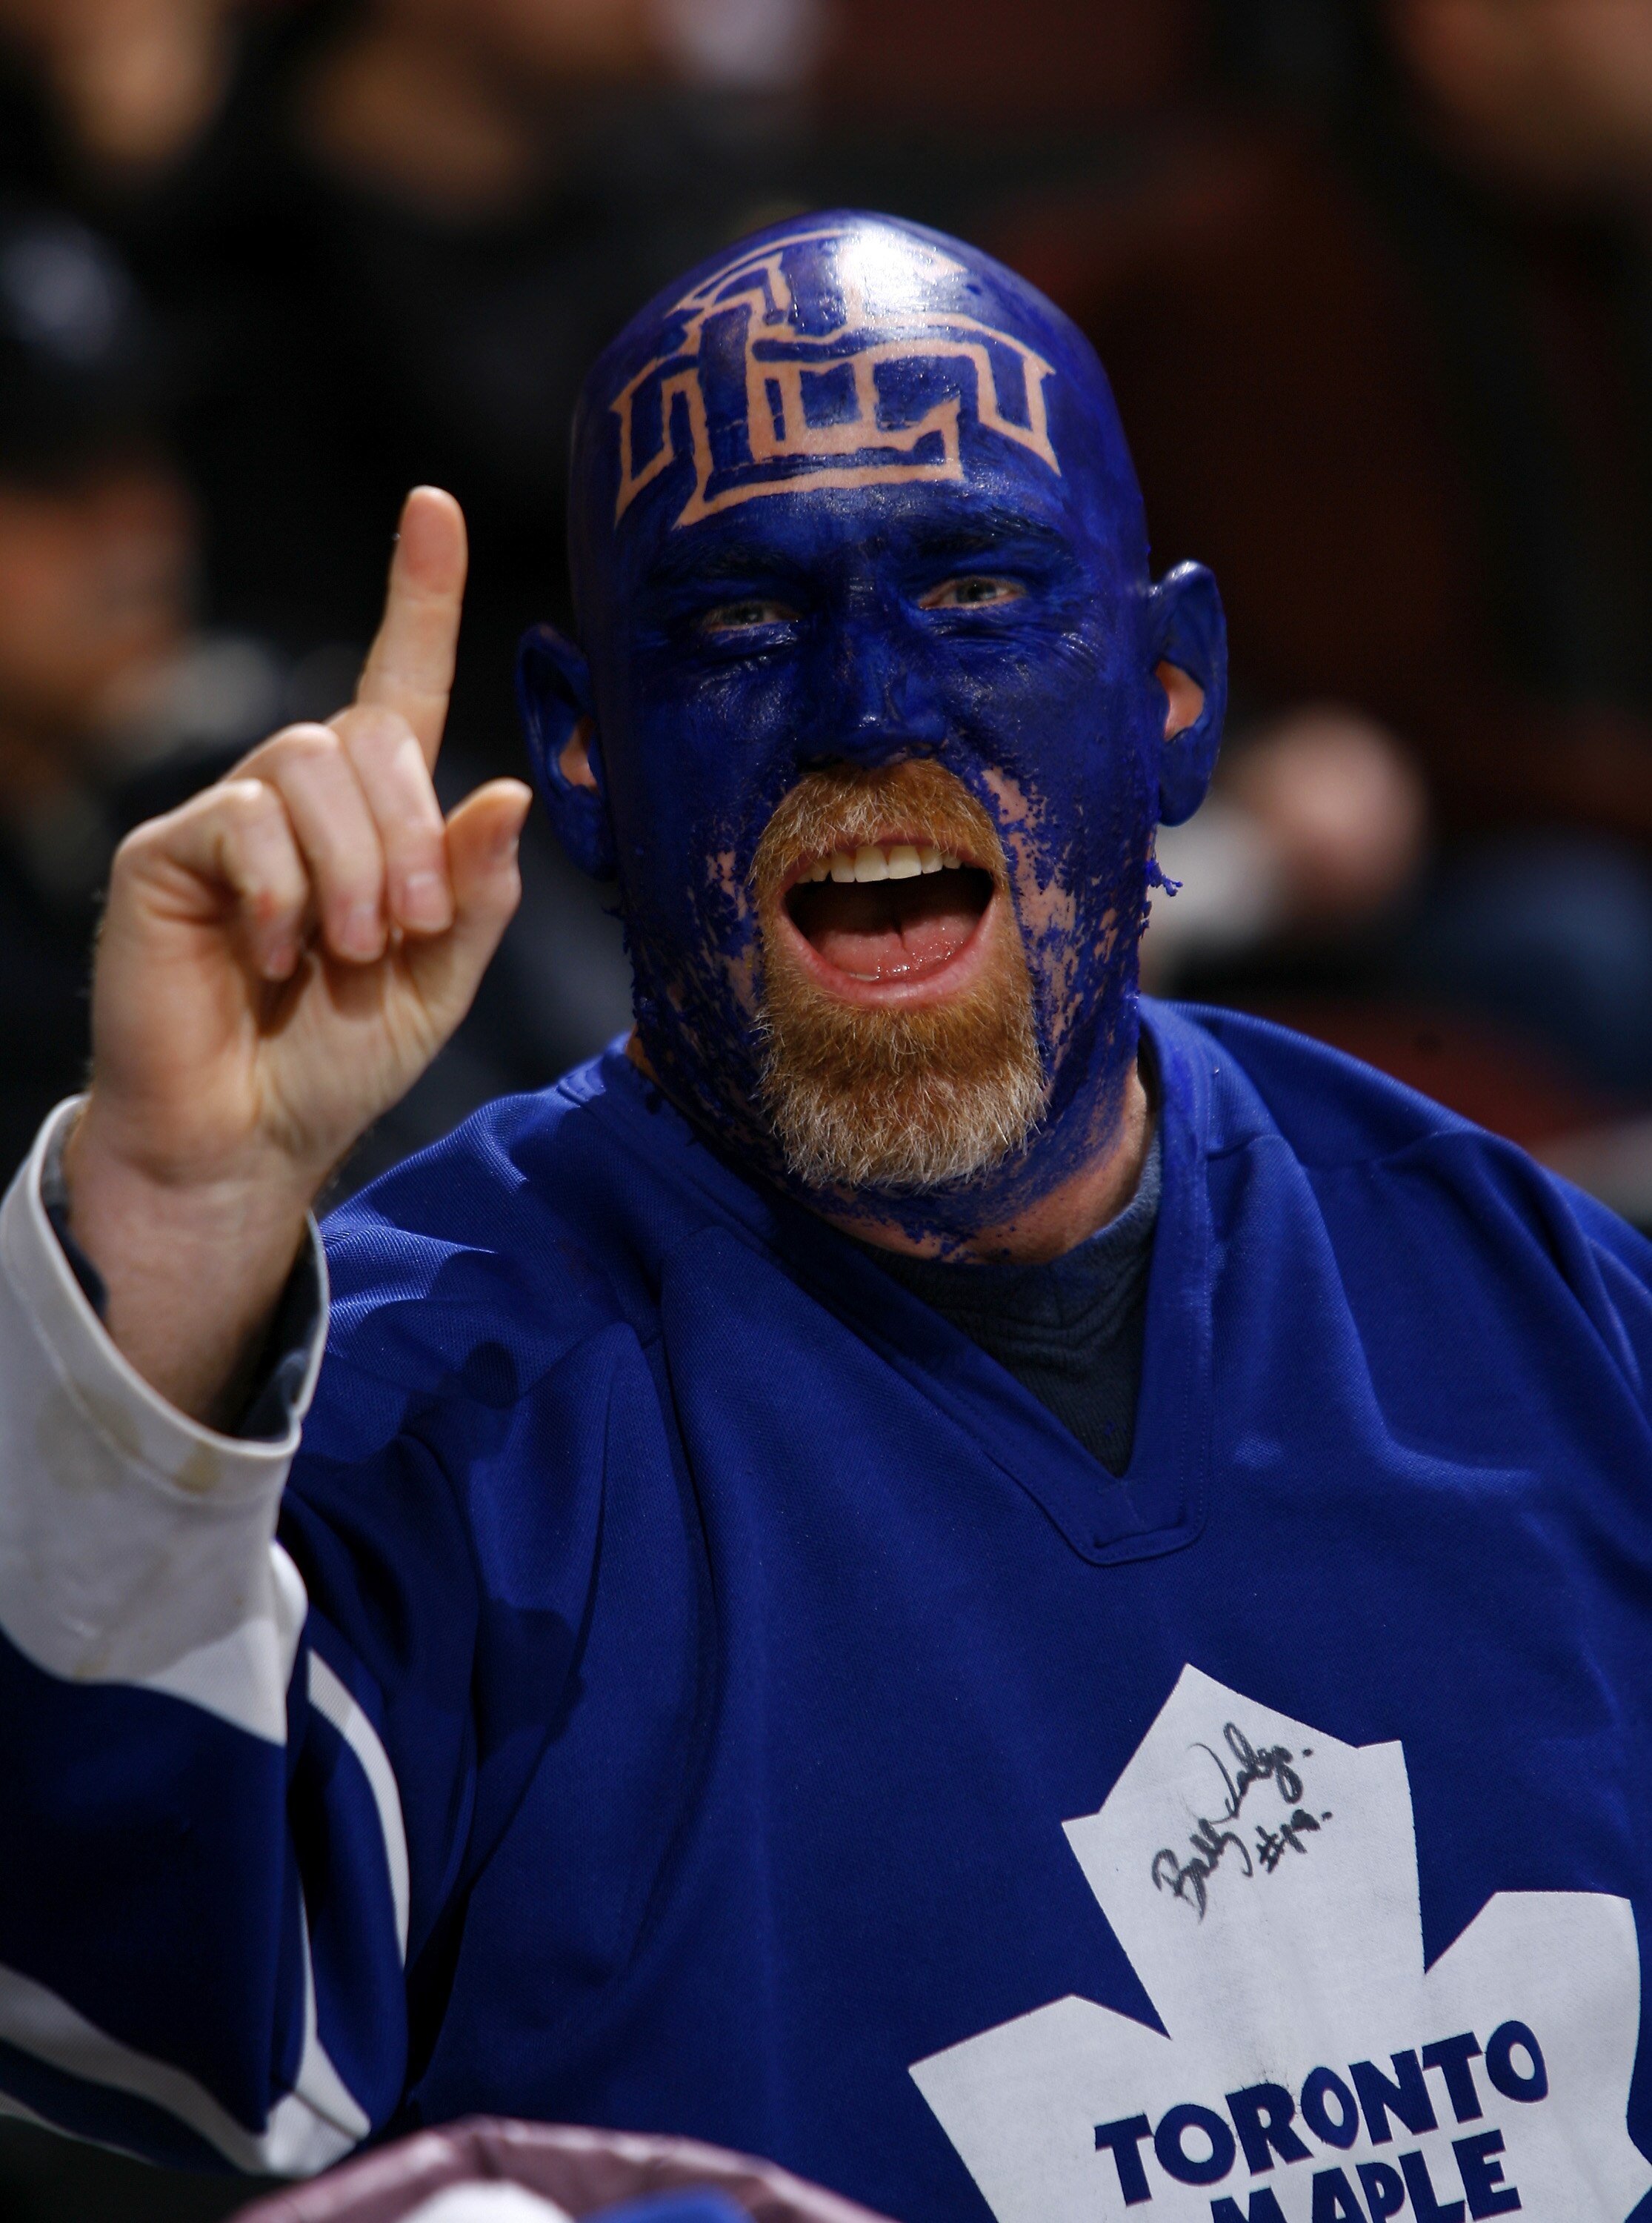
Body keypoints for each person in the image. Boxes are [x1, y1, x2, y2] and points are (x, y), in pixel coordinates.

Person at [3, 211, 1652, 2223]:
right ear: (586, 752)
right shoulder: (430, 1405)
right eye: (736, 628)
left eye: (973, 591)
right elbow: (107, 2030)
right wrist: (175, 1221)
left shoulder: (1552, 1314)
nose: (869, 713)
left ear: (1171, 701)